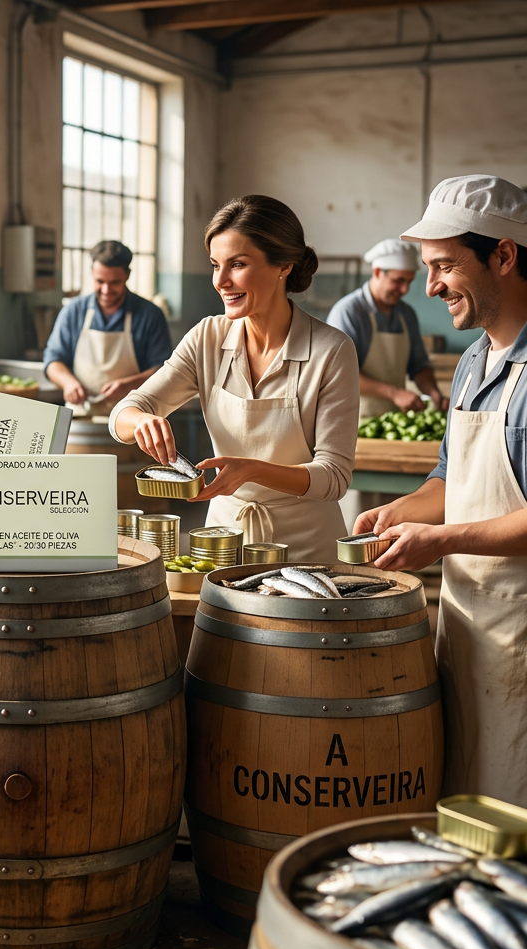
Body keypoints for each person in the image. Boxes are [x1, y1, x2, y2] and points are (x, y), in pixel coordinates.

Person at [354, 175, 527, 804]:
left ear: (502, 255)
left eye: (445, 266)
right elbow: (451, 477)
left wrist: (443, 539)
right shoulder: (474, 362)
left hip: (521, 628)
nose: (429, 288)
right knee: (463, 797)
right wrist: (400, 511)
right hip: (466, 624)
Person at [110, 195, 359, 563]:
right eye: (215, 265)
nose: (221, 281)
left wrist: (252, 470)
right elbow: (123, 414)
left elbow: (333, 477)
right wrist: (141, 420)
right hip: (222, 546)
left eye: (237, 264)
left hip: (307, 553)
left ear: (284, 265)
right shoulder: (206, 338)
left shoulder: (331, 350)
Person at [43, 240, 172, 415]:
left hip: (132, 417)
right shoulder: (73, 311)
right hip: (79, 417)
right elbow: (53, 359)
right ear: (92, 272)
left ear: (127, 275)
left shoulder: (150, 315)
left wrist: (129, 385)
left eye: (114, 282)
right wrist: (68, 383)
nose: (106, 290)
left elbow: (165, 370)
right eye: (100, 281)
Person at [327, 238, 447, 417]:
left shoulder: (406, 314)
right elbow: (341, 374)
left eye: (409, 282)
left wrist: (433, 392)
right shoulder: (348, 312)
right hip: (353, 419)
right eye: (398, 281)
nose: (405, 289)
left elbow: (418, 365)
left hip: (393, 419)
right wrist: (395, 393)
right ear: (377, 272)